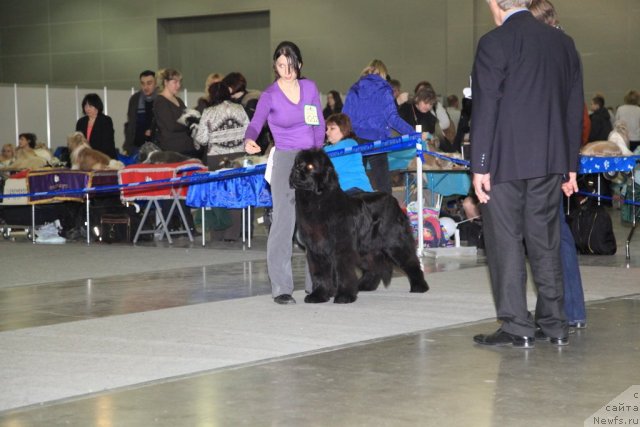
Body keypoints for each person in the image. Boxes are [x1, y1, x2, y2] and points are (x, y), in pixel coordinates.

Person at [471, 0, 583, 348]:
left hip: (506, 160)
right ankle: (554, 324)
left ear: (495, 3)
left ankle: (518, 325)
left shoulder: (494, 42)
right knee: (545, 241)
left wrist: (480, 164)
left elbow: (485, 105)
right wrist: (569, 165)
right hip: (550, 160)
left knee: (505, 242)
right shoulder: (562, 43)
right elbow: (573, 105)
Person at [244, 41, 325, 305]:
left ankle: (317, 285)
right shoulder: (269, 95)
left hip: (309, 158)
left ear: (299, 64)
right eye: (280, 65)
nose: (286, 70)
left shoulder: (310, 88)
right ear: (275, 67)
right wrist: (249, 139)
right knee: (283, 222)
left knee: (313, 223)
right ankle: (281, 288)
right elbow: (256, 122)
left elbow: (318, 124)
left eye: (290, 65)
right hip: (285, 159)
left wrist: (317, 156)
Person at [529, 0, 586, 329]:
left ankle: (561, 311)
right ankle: (570, 309)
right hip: (558, 154)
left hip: (546, 155)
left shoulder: (554, 52)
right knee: (556, 231)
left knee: (551, 233)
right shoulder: (567, 49)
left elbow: (565, 108)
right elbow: (573, 109)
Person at [342, 59, 414, 194]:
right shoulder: (384, 89)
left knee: (356, 181)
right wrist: (412, 133)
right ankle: (385, 211)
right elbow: (392, 119)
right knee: (383, 185)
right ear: (383, 74)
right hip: (377, 140)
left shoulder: (354, 88)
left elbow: (345, 117)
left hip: (356, 139)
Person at [194, 81, 249, 242]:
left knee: (217, 195)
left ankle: (217, 234)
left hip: (216, 158)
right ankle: (232, 234)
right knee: (235, 194)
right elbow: (250, 131)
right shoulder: (239, 109)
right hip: (238, 156)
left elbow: (202, 139)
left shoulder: (209, 112)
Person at [154, 68, 199, 157]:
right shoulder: (160, 101)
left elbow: (188, 118)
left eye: (179, 82)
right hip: (172, 150)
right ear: (166, 82)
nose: (178, 85)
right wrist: (190, 123)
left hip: (186, 147)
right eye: (175, 82)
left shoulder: (178, 100)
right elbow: (171, 126)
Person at [324, 113, 373, 193]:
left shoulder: (350, 143)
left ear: (343, 130)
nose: (327, 132)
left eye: (332, 128)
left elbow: (327, 166)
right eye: (327, 129)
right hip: (343, 192)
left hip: (358, 190)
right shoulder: (328, 148)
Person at [123, 70, 158, 155]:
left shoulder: (161, 99)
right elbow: (131, 123)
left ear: (156, 83)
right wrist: (128, 146)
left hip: (157, 146)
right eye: (143, 83)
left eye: (149, 83)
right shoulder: (135, 99)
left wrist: (152, 130)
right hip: (136, 146)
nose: (145, 87)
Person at [75, 93, 117, 159]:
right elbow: (78, 142)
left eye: (90, 106)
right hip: (85, 159)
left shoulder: (105, 120)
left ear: (97, 107)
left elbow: (107, 144)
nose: (87, 109)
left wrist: (92, 155)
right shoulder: (81, 122)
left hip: (103, 158)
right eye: (85, 106)